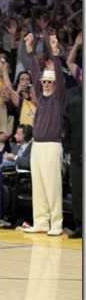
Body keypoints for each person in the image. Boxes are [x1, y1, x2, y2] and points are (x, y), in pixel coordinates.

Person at [22, 33, 66, 236]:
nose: (47, 85)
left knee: (52, 186)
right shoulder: (40, 94)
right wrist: (30, 49)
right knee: (38, 185)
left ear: (56, 85)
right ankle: (40, 221)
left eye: (50, 82)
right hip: (37, 145)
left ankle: (56, 224)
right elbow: (34, 70)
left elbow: (57, 73)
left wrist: (55, 53)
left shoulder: (58, 98)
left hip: (51, 145)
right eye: (45, 82)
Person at [63, 82, 82, 239]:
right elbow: (66, 124)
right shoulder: (72, 94)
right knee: (76, 192)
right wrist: (68, 148)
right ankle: (80, 226)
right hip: (76, 153)